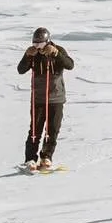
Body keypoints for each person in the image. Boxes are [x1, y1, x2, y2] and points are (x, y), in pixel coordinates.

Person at [17, 27, 74, 169]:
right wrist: (27, 56)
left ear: (47, 42)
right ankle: (30, 159)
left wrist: (56, 54)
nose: (38, 47)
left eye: (41, 44)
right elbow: (20, 70)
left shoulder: (58, 49)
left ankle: (46, 157)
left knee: (52, 130)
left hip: (56, 98)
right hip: (38, 99)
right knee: (35, 130)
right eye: (35, 44)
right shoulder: (32, 53)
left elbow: (70, 65)